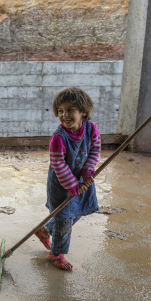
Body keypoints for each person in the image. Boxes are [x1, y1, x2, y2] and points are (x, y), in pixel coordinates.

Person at [35, 87, 101, 270]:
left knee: (77, 212)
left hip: (82, 181)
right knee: (64, 219)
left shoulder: (91, 129)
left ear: (83, 112)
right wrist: (73, 185)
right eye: (61, 111)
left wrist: (88, 172)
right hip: (62, 184)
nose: (65, 115)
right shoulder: (58, 138)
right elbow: (58, 165)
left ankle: (45, 229)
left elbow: (95, 149)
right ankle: (55, 254)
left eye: (70, 110)